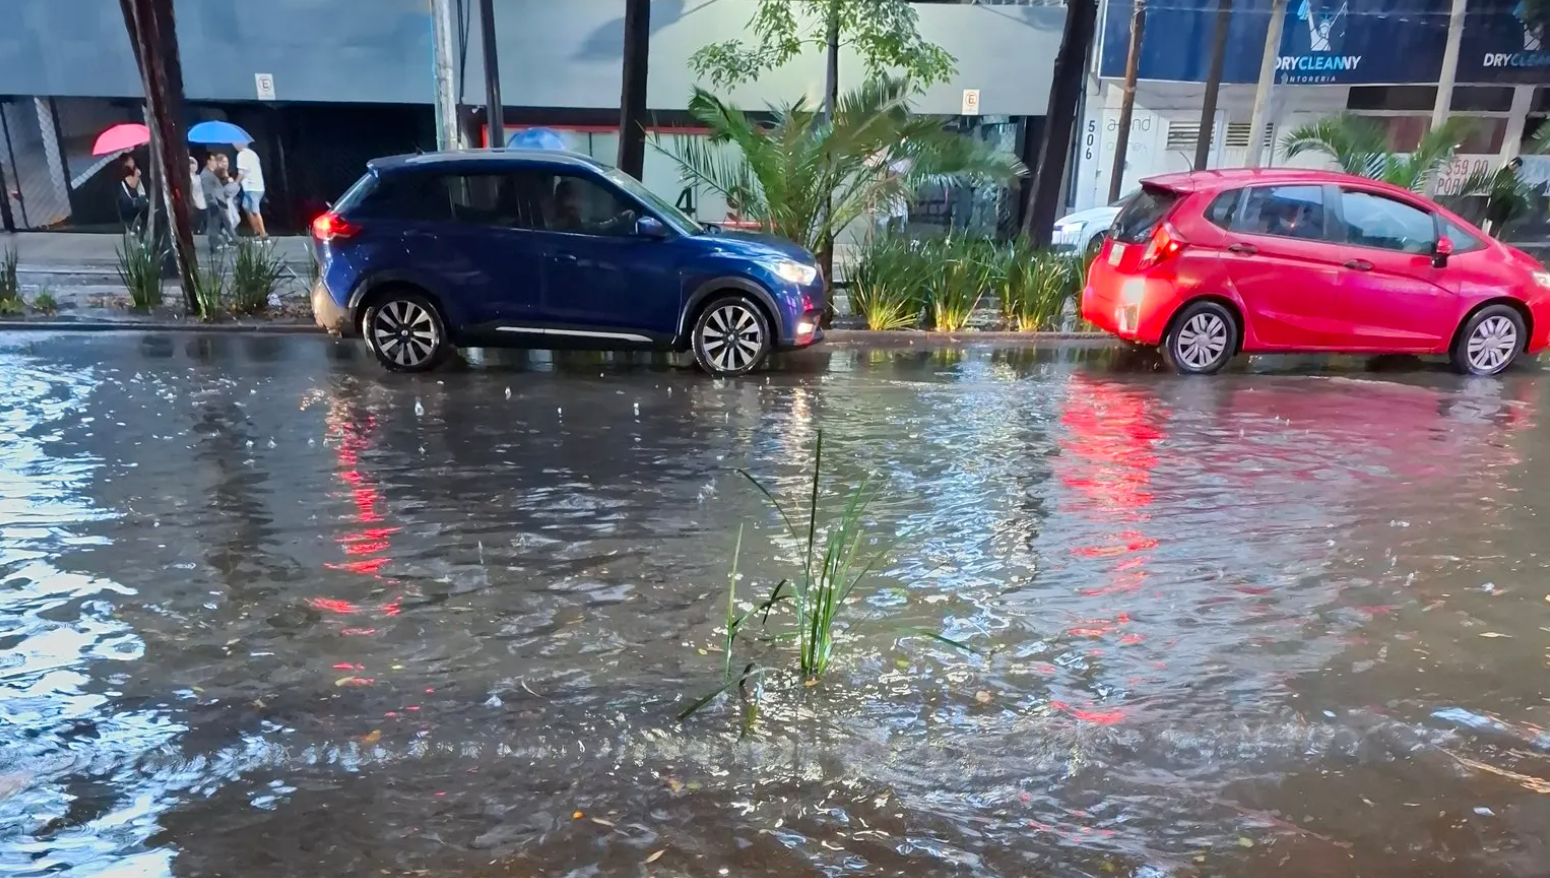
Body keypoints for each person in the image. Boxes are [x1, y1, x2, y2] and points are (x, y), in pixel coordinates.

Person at [233, 141, 268, 239]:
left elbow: (241, 173)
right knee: (246, 206)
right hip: (255, 186)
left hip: (253, 187)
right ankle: (257, 231)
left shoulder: (241, 155)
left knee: (255, 211)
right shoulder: (253, 154)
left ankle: (263, 234)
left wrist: (235, 184)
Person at [201, 153, 234, 247]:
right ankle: (217, 244)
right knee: (215, 225)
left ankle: (233, 240)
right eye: (214, 160)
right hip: (215, 203)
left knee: (223, 224)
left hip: (219, 202)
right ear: (208, 162)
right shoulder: (206, 175)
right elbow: (208, 190)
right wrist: (212, 202)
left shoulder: (211, 173)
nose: (216, 162)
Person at [116, 155, 149, 231]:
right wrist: (137, 175)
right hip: (135, 204)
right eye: (130, 159)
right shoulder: (127, 173)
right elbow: (133, 184)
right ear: (126, 163)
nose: (133, 160)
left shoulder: (133, 171)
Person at [215, 154, 242, 241]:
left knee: (236, 219)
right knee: (229, 220)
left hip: (229, 199)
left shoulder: (226, 172)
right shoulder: (217, 172)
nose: (225, 163)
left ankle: (224, 234)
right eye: (223, 161)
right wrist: (228, 181)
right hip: (223, 200)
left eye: (226, 161)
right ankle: (228, 239)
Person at [187, 156, 208, 234]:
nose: (192, 166)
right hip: (194, 203)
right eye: (190, 164)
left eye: (194, 163)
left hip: (203, 201)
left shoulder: (199, 177)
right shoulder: (188, 178)